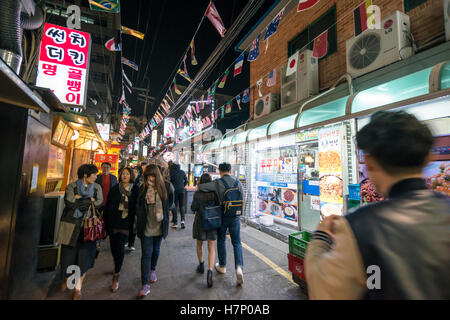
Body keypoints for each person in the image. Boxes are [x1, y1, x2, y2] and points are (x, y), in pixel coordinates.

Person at [305, 111, 450, 300]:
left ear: (370, 163)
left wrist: (321, 237)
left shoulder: (357, 225)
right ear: (426, 160)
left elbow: (326, 292)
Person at [59, 164, 103, 300]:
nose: (96, 176)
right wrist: (89, 200)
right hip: (71, 225)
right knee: (68, 256)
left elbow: (99, 203)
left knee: (84, 258)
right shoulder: (71, 186)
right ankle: (67, 278)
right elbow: (70, 202)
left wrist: (81, 199)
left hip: (88, 228)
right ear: (85, 175)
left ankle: (78, 288)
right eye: (94, 174)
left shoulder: (97, 187)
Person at [198, 163, 244, 286]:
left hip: (222, 216)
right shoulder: (238, 182)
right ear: (231, 170)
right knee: (237, 242)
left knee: (221, 240)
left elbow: (202, 187)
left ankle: (222, 266)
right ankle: (239, 268)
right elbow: (243, 197)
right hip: (235, 217)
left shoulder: (218, 182)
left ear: (219, 171)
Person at [135, 165, 173, 298]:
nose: (150, 178)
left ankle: (153, 269)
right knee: (146, 254)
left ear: (157, 175)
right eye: (148, 176)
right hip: (146, 226)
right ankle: (145, 284)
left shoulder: (166, 187)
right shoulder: (143, 188)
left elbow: (171, 203)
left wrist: (165, 214)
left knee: (156, 251)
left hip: (160, 226)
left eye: (153, 176)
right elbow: (138, 205)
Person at [103, 167, 139, 292]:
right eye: (123, 174)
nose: (124, 176)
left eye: (127, 174)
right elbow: (108, 205)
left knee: (120, 248)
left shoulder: (135, 189)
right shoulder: (114, 189)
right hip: (114, 222)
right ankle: (116, 264)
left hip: (126, 223)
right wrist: (105, 222)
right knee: (114, 247)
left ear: (131, 176)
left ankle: (116, 275)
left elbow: (137, 206)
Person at [191, 173, 218, 288]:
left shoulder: (197, 193)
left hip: (200, 222)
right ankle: (210, 271)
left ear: (200, 182)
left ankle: (201, 264)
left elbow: (193, 208)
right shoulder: (215, 193)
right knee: (211, 247)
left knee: (199, 244)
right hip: (212, 222)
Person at [127, 165, 143, 251]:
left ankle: (131, 243)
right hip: (125, 208)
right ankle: (127, 241)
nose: (134, 173)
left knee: (133, 226)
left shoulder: (139, 184)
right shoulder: (123, 185)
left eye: (136, 172)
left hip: (134, 209)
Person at [169, 163, 188, 229]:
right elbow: (186, 180)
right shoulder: (182, 172)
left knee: (175, 206)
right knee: (182, 206)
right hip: (182, 190)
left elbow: (169, 181)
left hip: (174, 191)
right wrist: (183, 185)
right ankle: (183, 221)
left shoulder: (171, 172)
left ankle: (175, 222)